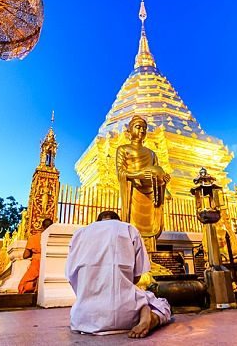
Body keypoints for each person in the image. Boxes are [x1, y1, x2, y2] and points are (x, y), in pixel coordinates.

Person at [66, 210, 171, 338]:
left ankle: (143, 312)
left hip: (83, 319)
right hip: (127, 315)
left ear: (98, 221)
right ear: (118, 220)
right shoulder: (128, 229)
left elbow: (71, 277)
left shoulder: (79, 234)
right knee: (160, 303)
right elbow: (137, 277)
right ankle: (150, 318)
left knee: (140, 297)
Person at [116, 115, 170, 254]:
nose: (141, 131)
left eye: (144, 128)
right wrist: (137, 175)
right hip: (133, 192)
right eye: (138, 127)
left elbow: (157, 172)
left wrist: (164, 182)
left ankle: (149, 260)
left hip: (151, 194)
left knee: (150, 227)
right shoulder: (123, 149)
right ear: (129, 130)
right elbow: (121, 172)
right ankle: (134, 259)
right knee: (133, 228)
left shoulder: (151, 154)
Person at [18, 218, 53, 294]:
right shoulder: (54, 238)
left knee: (23, 286)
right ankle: (38, 284)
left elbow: (25, 255)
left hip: (37, 262)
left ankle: (34, 285)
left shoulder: (34, 238)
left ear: (42, 227)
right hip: (50, 262)